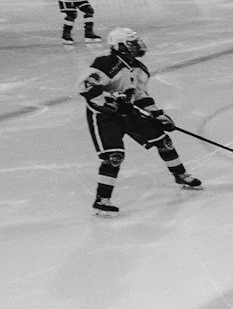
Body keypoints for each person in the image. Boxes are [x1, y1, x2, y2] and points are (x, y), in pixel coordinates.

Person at [80, 28, 199, 214]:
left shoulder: (139, 69)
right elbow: (86, 88)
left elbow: (140, 95)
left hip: (128, 113)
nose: (137, 46)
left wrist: (158, 114)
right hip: (104, 117)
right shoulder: (106, 64)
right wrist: (113, 101)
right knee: (114, 157)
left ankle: (181, 175)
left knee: (164, 141)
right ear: (119, 46)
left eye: (136, 43)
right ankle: (102, 199)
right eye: (132, 43)